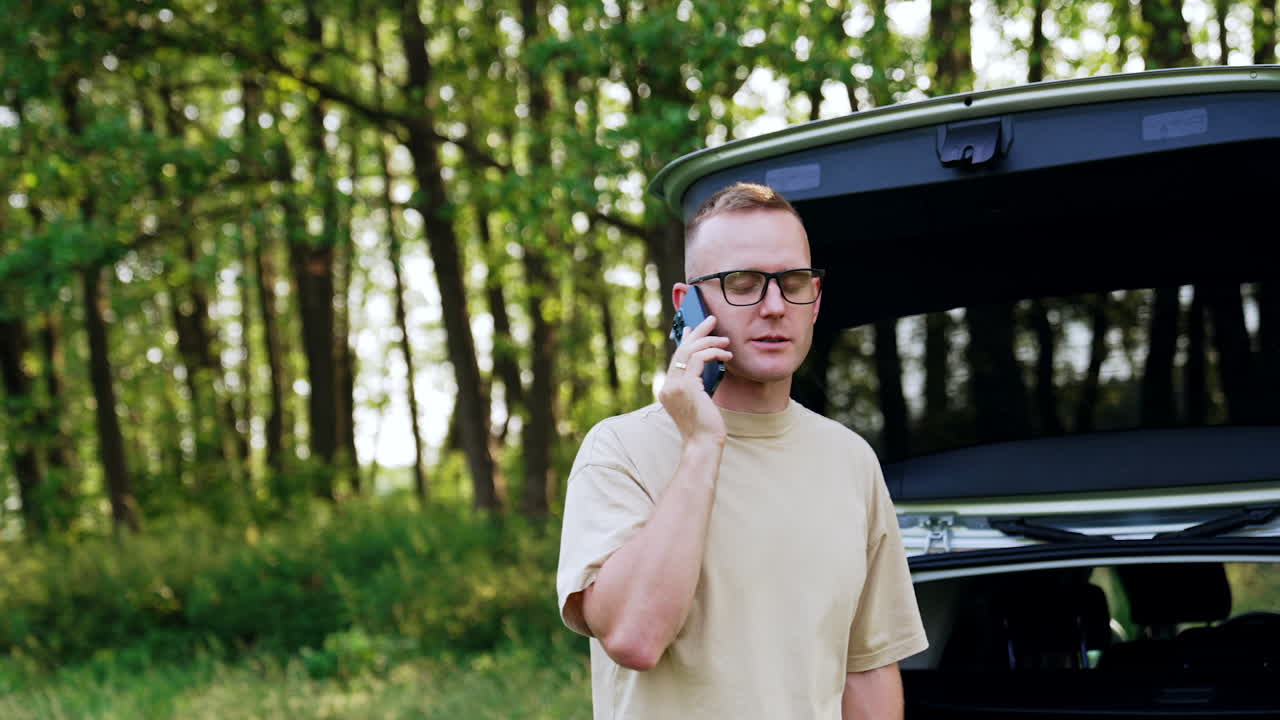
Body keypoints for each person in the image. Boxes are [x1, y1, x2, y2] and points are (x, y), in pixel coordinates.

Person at [556, 182, 927, 719]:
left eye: (792, 283)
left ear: (815, 299)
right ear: (687, 305)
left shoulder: (850, 460)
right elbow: (634, 638)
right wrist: (702, 444)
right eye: (743, 284)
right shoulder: (619, 450)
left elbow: (865, 669)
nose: (774, 307)